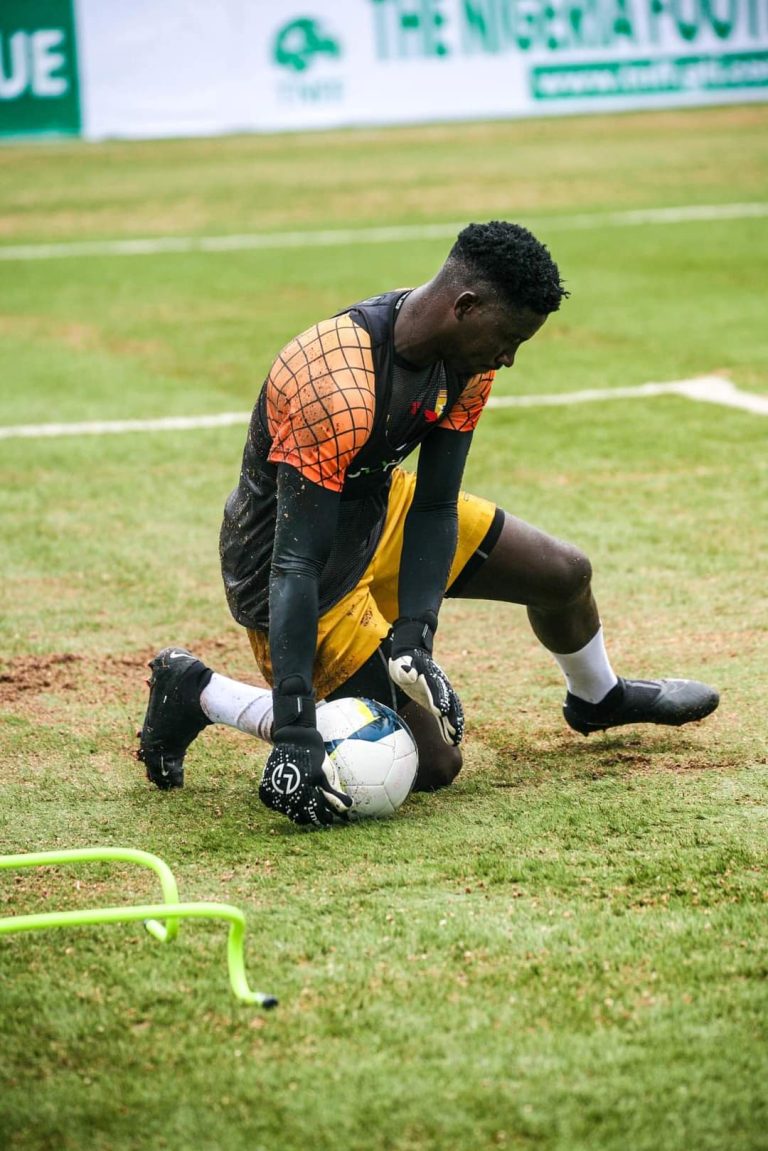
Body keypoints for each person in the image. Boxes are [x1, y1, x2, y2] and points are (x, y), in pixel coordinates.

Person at [137, 221, 719, 826]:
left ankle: (598, 698)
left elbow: (437, 505)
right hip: (291, 568)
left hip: (378, 514)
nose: (509, 358)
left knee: (563, 574)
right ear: (466, 308)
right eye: (510, 338)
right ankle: (199, 690)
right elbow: (294, 564)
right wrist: (296, 728)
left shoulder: (468, 361)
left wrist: (415, 639)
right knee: (435, 766)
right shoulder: (333, 379)